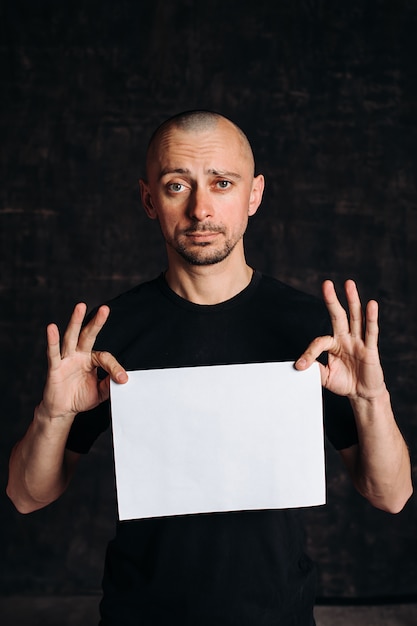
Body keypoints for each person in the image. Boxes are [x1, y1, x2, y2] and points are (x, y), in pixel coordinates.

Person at [7, 110, 412, 625]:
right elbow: (25, 496)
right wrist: (53, 414)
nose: (201, 209)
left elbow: (391, 495)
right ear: (150, 199)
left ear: (254, 195)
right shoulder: (105, 336)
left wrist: (371, 399)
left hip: (278, 616)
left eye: (222, 183)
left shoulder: (314, 331)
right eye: (178, 185)